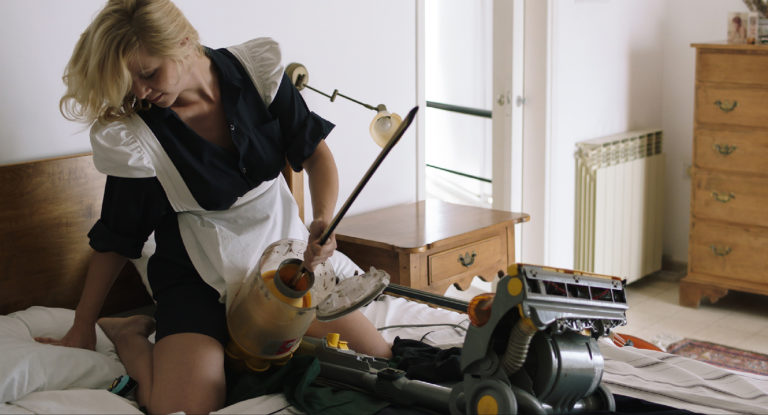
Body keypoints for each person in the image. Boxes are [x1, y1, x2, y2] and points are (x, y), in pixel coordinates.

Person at [36, 0, 392, 413]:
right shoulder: (136, 137)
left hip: (280, 267)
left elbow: (314, 153)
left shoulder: (257, 74)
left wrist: (323, 220)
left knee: (377, 360)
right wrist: (82, 326)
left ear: (184, 42)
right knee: (183, 409)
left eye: (147, 74)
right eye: (128, 81)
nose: (139, 91)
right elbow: (118, 237)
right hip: (197, 280)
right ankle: (130, 335)